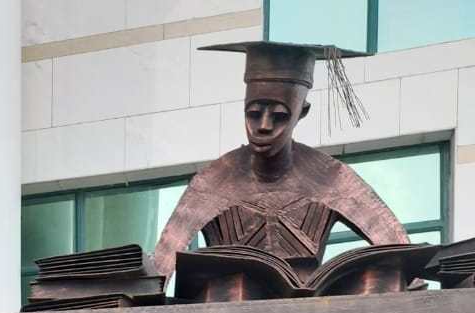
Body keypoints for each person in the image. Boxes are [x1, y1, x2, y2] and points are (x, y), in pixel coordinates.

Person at [151, 42, 408, 282]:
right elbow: (160, 269)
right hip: (230, 304)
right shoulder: (214, 181)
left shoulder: (331, 178)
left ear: (302, 112)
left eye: (279, 116)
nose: (263, 126)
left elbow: (400, 250)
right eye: (253, 113)